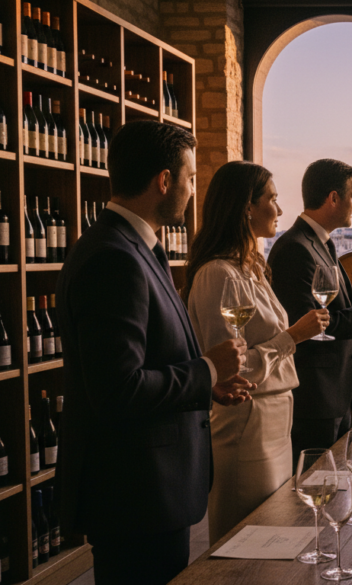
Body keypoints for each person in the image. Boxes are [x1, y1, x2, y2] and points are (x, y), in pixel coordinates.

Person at [55, 121, 253, 585]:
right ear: (164, 181)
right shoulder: (113, 258)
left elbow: (148, 363)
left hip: (150, 487)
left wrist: (207, 385)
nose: (190, 191)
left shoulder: (133, 247)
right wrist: (205, 369)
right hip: (135, 491)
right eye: (189, 179)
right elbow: (118, 389)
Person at [184, 162, 330, 543]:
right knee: (247, 538)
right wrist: (293, 337)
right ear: (246, 207)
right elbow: (230, 372)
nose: (280, 211)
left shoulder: (250, 269)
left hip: (276, 418)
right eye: (273, 199)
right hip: (247, 422)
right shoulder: (219, 274)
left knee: (276, 531)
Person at [267, 159, 352, 465]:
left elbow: (329, 315)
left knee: (335, 490)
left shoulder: (320, 243)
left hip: (335, 397)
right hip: (315, 401)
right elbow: (305, 324)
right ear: (333, 198)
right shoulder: (295, 248)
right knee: (314, 494)